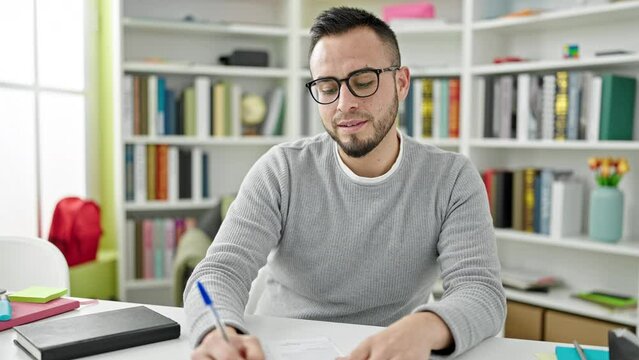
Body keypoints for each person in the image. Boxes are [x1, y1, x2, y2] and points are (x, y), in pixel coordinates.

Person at [186, 7, 505, 360]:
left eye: (364, 81)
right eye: (327, 87)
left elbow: (480, 291)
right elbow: (219, 271)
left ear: (401, 83)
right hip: (283, 350)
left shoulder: (452, 179)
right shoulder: (281, 170)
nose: (345, 104)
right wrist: (218, 333)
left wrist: (425, 327)